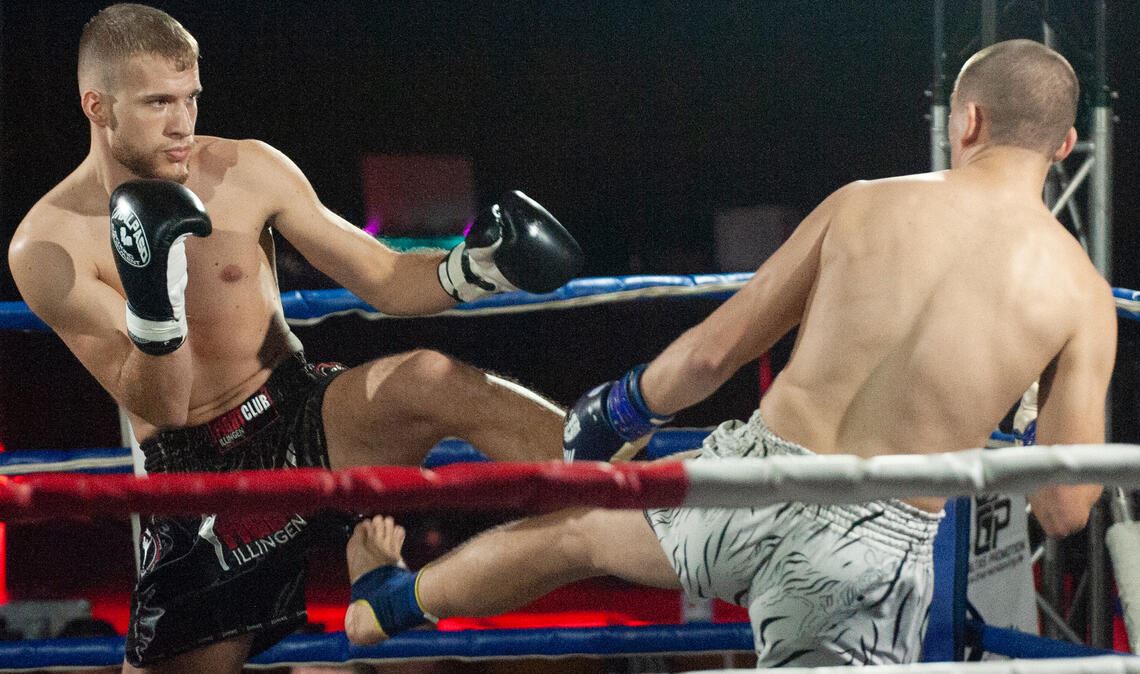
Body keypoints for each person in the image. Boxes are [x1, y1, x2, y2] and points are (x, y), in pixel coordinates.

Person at [345, 39, 1116, 667]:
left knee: (574, 532)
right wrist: (1025, 418)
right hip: (867, 554)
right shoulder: (1081, 295)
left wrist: (616, 413)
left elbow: (712, 356)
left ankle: (389, 608)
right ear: (1067, 144)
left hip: (750, 478)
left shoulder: (866, 203)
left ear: (967, 121)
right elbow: (1064, 505)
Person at [5, 4, 583, 672]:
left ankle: (637, 489)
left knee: (427, 377)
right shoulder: (49, 245)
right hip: (199, 474)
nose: (182, 124)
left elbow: (387, 279)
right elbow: (161, 406)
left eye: (190, 98)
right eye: (158, 102)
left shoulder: (249, 169)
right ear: (97, 105)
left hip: (298, 411)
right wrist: (154, 304)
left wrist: (476, 268)